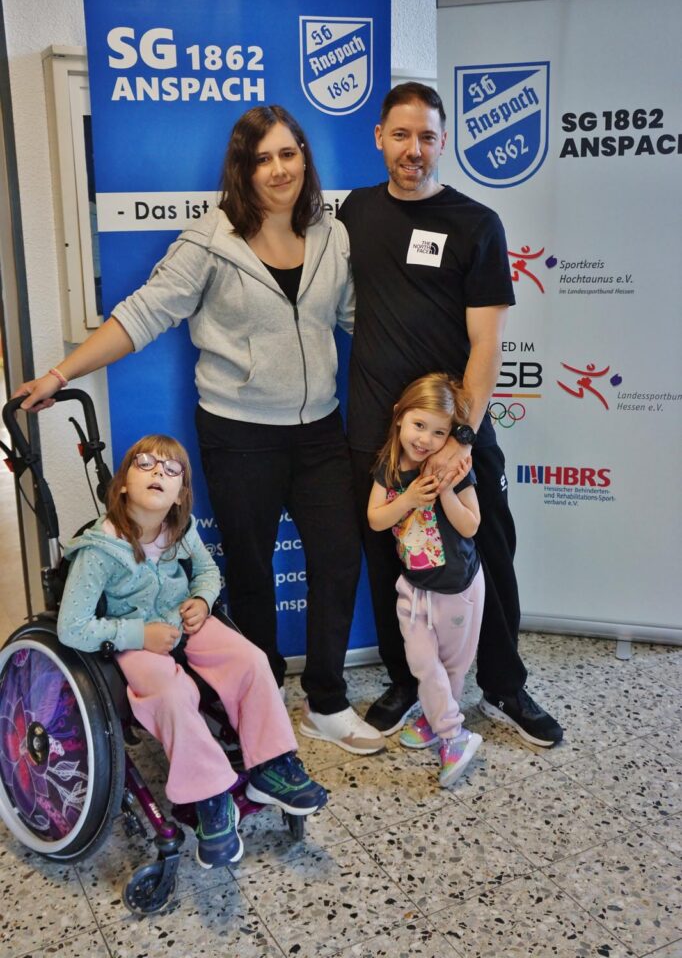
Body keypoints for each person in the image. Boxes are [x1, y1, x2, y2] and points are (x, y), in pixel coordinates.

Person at [16, 105, 384, 756]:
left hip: (320, 429)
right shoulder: (209, 241)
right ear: (242, 169)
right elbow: (141, 315)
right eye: (262, 158)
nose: (279, 169)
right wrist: (59, 374)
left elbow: (362, 319)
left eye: (289, 153)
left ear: (305, 157)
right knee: (250, 567)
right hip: (239, 433)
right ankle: (257, 697)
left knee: (338, 557)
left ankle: (326, 701)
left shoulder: (332, 235)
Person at [339, 82, 563, 747]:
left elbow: (487, 343)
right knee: (390, 556)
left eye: (427, 137)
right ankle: (409, 682)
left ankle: (504, 683)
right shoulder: (356, 212)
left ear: (444, 141)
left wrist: (459, 436)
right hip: (378, 430)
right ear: (379, 138)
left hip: (456, 428)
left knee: (487, 550)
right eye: (401, 135)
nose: (413, 149)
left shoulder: (475, 224)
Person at [57, 433, 327, 869]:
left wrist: (201, 600)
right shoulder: (100, 551)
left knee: (251, 660)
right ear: (121, 485)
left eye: (171, 470)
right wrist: (138, 634)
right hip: (133, 639)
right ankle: (209, 797)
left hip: (185, 621)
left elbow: (207, 571)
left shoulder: (180, 531)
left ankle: (271, 766)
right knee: (172, 692)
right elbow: (72, 627)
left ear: (180, 495)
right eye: (146, 464)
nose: (158, 473)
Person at [367, 375, 485, 786]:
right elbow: (376, 519)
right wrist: (409, 499)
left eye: (439, 432)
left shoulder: (453, 469)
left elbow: (470, 526)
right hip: (414, 589)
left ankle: (438, 721)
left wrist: (446, 491)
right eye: (419, 425)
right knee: (421, 662)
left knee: (451, 668)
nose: (426, 440)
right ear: (399, 417)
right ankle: (454, 734)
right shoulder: (388, 467)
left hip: (457, 589)